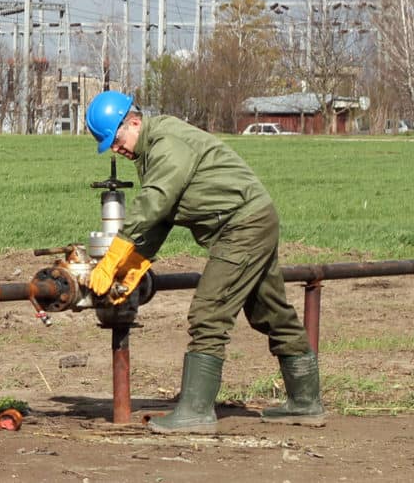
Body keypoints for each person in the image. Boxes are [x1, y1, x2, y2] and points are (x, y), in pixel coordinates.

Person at [82, 90, 321, 432]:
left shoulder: (167, 143)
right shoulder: (153, 151)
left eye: (116, 139)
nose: (116, 148)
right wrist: (132, 266)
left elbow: (155, 203)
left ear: (133, 122)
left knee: (209, 313)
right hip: (254, 218)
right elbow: (161, 220)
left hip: (242, 226)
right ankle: (306, 402)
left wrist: (113, 258)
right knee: (271, 311)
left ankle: (196, 411)